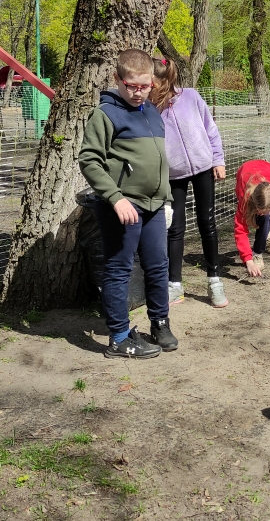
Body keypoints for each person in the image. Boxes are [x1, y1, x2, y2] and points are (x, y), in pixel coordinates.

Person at [79, 49, 176, 359]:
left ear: (152, 82)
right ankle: (119, 336)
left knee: (158, 266)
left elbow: (158, 163)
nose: (138, 92)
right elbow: (89, 160)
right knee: (119, 269)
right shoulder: (105, 114)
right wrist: (116, 198)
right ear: (117, 80)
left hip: (155, 205)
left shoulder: (152, 113)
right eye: (132, 86)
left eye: (145, 86)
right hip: (122, 208)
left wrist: (167, 200)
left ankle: (159, 322)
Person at [148, 55, 229, 309]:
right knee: (175, 227)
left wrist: (218, 159)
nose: (147, 87)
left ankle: (214, 280)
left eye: (150, 82)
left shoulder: (191, 97)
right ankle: (175, 285)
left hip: (203, 167)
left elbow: (210, 128)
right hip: (173, 175)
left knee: (207, 222)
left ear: (163, 80)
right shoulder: (150, 109)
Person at [233, 159, 270, 278]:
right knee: (255, 216)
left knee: (265, 217)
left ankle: (258, 251)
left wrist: (266, 212)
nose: (260, 213)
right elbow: (240, 230)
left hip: (264, 167)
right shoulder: (244, 197)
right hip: (244, 171)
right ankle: (261, 241)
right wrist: (248, 260)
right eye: (258, 210)